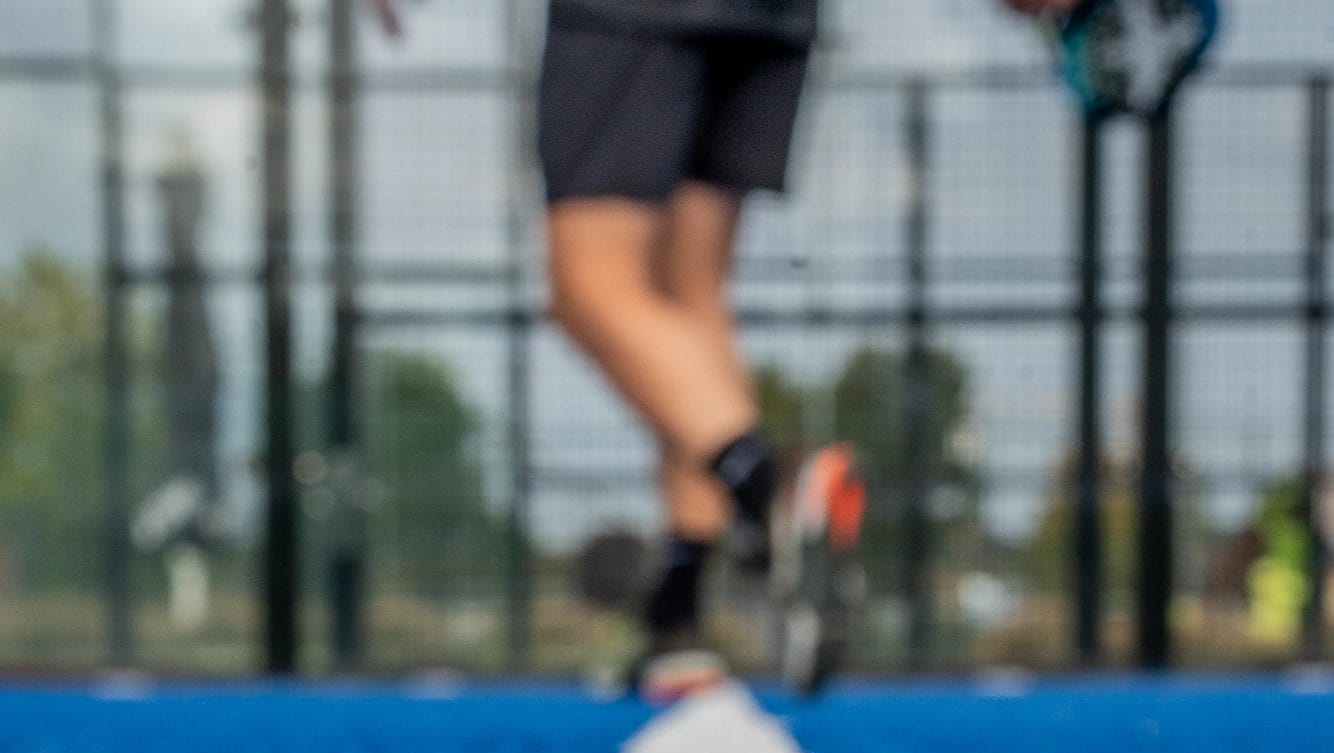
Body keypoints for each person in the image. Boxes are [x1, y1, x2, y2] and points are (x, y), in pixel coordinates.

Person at [368, 0, 1075, 698]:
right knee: (689, 298)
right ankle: (680, 618)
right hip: (774, 17)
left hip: (638, 16)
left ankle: (768, 490)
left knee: (590, 286)